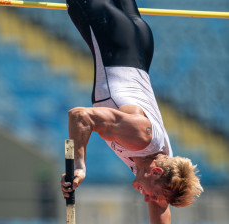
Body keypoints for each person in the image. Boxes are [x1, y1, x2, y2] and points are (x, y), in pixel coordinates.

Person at [60, 0, 203, 223]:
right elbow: (80, 116)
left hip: (139, 43)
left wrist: (158, 199)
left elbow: (161, 209)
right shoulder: (140, 137)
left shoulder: (163, 167)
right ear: (155, 173)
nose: (148, 199)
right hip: (112, 36)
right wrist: (79, 166)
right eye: (152, 194)